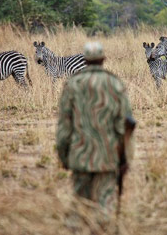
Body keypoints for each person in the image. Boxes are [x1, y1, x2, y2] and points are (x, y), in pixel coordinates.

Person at [56, 42, 134, 231]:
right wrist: (125, 159)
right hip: (108, 156)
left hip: (79, 155)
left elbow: (64, 127)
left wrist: (64, 156)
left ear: (84, 60)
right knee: (105, 207)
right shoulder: (115, 84)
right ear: (103, 60)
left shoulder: (73, 84)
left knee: (78, 206)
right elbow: (126, 126)